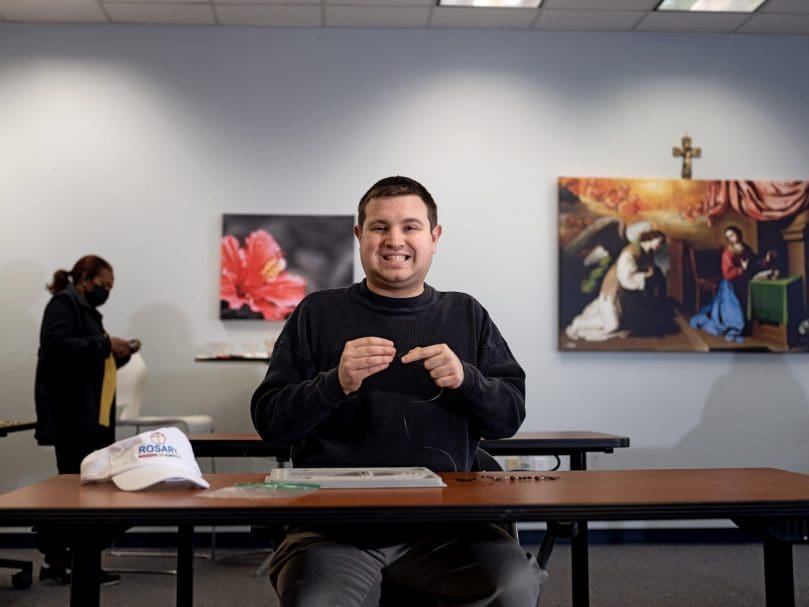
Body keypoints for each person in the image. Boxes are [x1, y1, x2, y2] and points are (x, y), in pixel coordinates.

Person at [251, 176, 544, 606]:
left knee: (514, 587)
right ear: (359, 235)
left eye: (410, 227)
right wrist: (335, 383)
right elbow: (270, 422)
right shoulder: (317, 312)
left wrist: (468, 380)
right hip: (333, 531)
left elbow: (509, 418)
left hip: (449, 529)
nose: (395, 240)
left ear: (434, 237)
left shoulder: (465, 313)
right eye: (379, 227)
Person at [34, 255, 141, 585]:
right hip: (71, 413)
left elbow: (89, 360)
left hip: (90, 412)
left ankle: (62, 560)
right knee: (76, 490)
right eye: (102, 284)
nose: (106, 290)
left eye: (110, 286)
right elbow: (55, 348)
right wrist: (106, 343)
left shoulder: (86, 312)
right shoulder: (62, 304)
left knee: (83, 488)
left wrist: (119, 353)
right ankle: (70, 561)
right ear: (83, 278)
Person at [566, 229, 674, 341]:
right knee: (612, 325)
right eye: (658, 241)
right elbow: (626, 279)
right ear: (650, 239)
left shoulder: (647, 252)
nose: (659, 245)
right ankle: (579, 324)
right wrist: (646, 275)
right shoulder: (629, 253)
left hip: (625, 295)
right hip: (613, 291)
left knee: (623, 324)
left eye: (661, 242)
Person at [690, 225, 764, 341]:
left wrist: (765, 262)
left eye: (733, 235)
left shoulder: (746, 248)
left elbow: (753, 263)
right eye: (728, 237)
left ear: (738, 233)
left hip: (745, 282)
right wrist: (742, 269)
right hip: (731, 286)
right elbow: (727, 275)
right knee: (734, 315)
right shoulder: (728, 253)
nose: (731, 239)